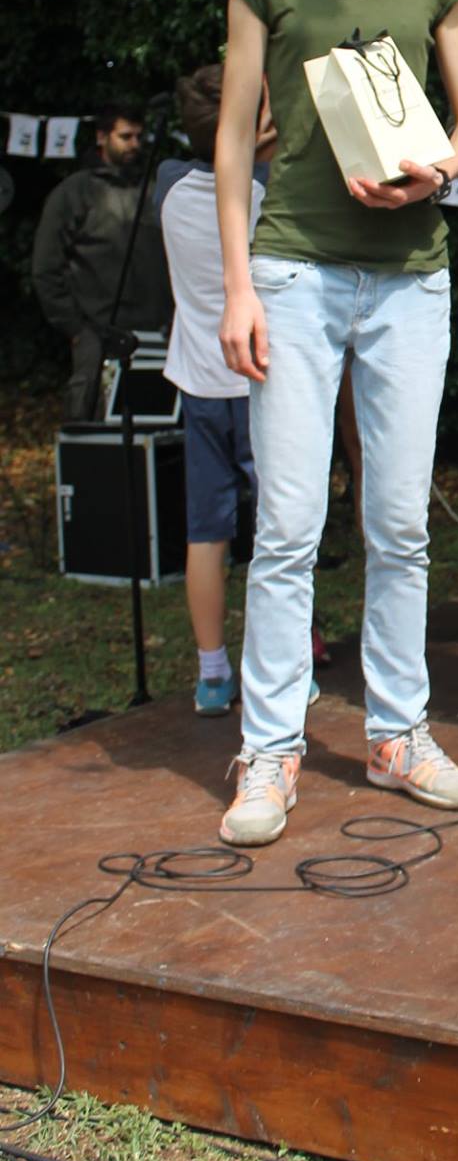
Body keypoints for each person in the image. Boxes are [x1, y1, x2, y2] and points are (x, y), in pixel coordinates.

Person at [215, 0, 458, 845]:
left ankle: (397, 734)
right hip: (294, 274)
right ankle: (269, 751)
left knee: (400, 524)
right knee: (288, 527)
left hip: (413, 277)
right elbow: (234, 138)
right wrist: (238, 286)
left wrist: (437, 174)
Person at [155, 66, 317, 716]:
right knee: (282, 529)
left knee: (206, 534)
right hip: (264, 383)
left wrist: (248, 124)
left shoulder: (167, 186)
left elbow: (227, 144)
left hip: (200, 385)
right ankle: (290, 671)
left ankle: (212, 674)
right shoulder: (266, 191)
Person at [33, 101, 172, 421]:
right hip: (97, 335)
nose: (134, 145)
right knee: (92, 426)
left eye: (138, 137)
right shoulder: (73, 193)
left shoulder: (153, 191)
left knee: (154, 425)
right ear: (101, 137)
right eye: (125, 136)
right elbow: (46, 269)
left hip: (156, 334)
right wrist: (76, 328)